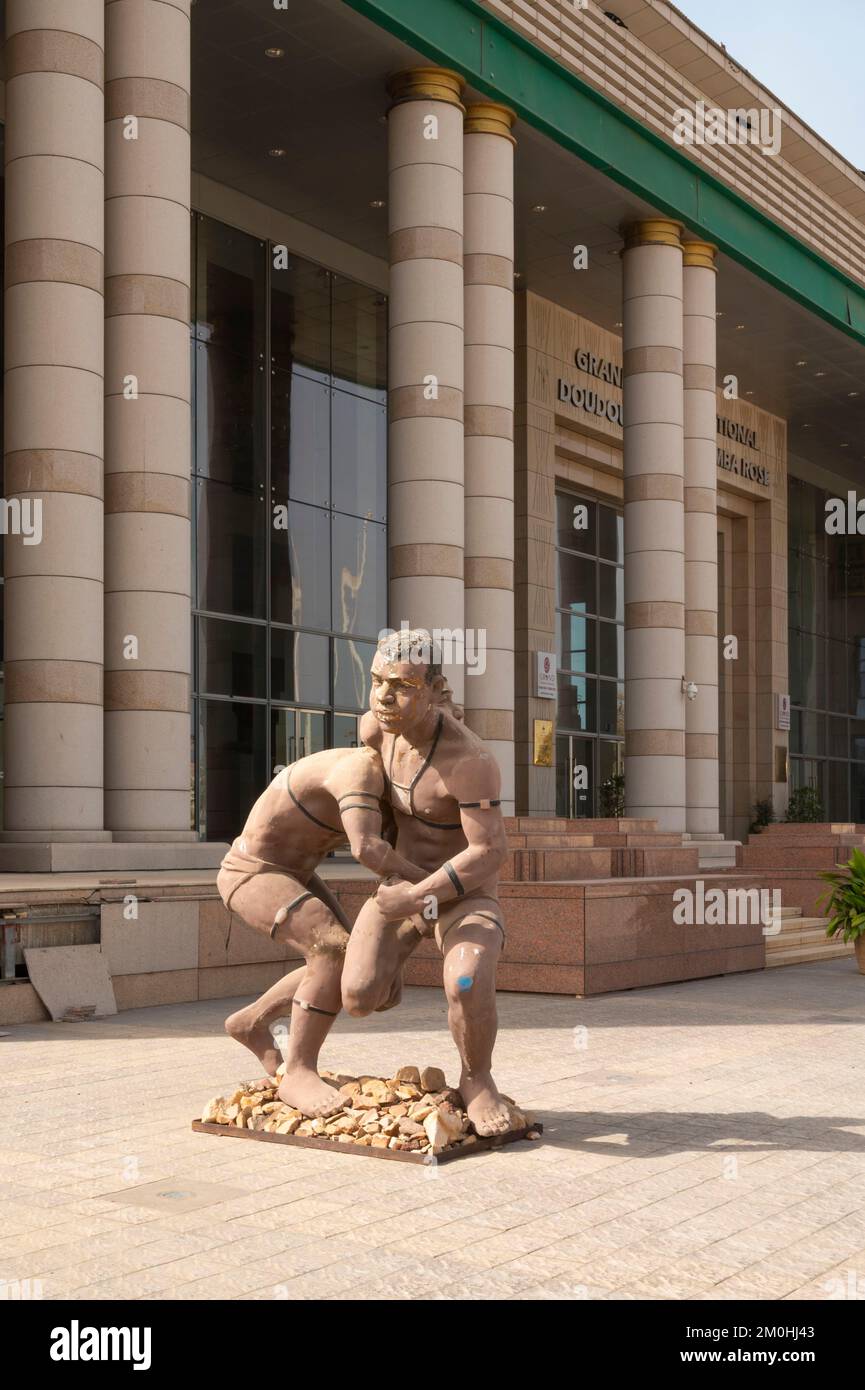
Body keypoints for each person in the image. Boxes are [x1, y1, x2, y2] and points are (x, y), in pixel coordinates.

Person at [341, 630, 514, 1136]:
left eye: (401, 685)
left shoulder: (470, 761)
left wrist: (419, 895)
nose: (383, 697)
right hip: (400, 886)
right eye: (376, 682)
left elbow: (490, 851)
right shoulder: (374, 730)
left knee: (465, 979)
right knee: (358, 998)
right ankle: (383, 969)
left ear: (436, 687)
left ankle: (477, 1079)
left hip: (462, 895)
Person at [216, 742, 426, 1118]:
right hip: (250, 872)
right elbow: (369, 850)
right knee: (331, 950)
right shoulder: (360, 768)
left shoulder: (400, 785)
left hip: (296, 874)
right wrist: (443, 885)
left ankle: (250, 1022)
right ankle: (298, 1072)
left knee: (358, 970)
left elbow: (400, 866)